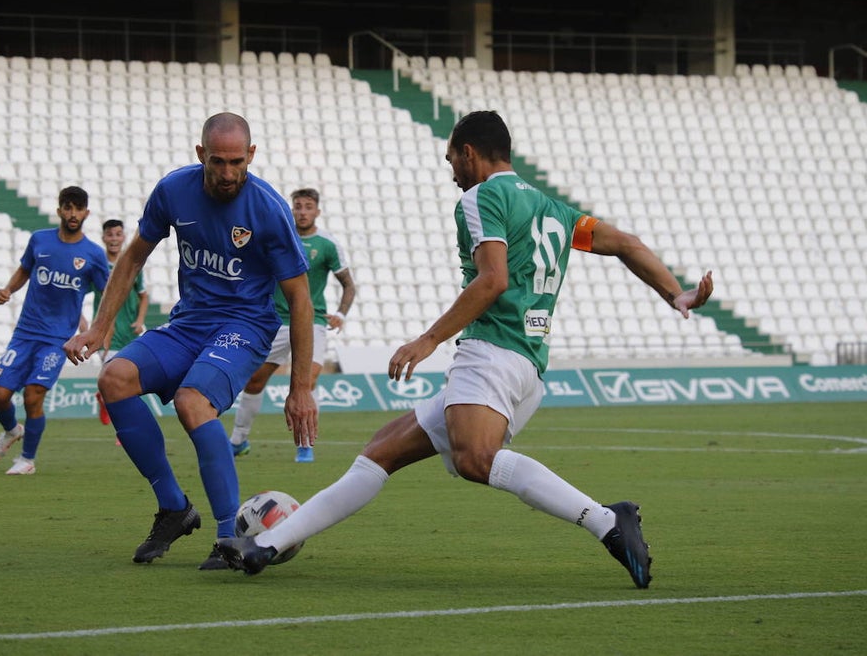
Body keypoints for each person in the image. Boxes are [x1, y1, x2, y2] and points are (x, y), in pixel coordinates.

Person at [216, 110, 714, 589]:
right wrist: (676, 293)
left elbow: (492, 279)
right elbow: (626, 243)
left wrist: (427, 339)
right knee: (380, 453)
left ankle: (607, 521)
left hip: (493, 352)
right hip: (527, 364)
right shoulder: (554, 209)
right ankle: (269, 545)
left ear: (469, 152)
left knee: (476, 459)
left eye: (451, 158)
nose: (451, 170)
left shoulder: (481, 198)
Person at [63, 112, 317, 571]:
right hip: (190, 322)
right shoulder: (173, 190)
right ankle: (174, 508)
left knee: (192, 401)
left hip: (245, 326)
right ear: (201, 154)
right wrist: (100, 327)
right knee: (115, 377)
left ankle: (228, 537)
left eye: (236, 162)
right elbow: (133, 257)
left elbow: (300, 300)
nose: (226, 173)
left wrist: (300, 388)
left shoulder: (269, 209)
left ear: (251, 155)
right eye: (217, 162)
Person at [0, 186, 109, 475]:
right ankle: (11, 431)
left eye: (78, 208)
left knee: (33, 394)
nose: (73, 213)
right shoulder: (39, 240)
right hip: (25, 333)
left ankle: (27, 460)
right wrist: (8, 289)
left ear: (86, 213)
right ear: (59, 211)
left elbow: (107, 294)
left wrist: (99, 331)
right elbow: (24, 270)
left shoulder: (92, 254)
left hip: (58, 339)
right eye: (68, 207)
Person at [229, 187, 356, 463]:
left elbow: (348, 285)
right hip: (275, 322)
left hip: (312, 322)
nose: (302, 211)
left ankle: (305, 445)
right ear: (291, 209)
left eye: (308, 206)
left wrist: (342, 314)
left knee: (306, 382)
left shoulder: (327, 244)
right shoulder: (278, 237)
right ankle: (238, 440)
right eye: (298, 206)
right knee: (254, 381)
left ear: (317, 211)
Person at [93, 218, 150, 428]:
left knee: (129, 379)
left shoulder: (132, 263)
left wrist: (140, 320)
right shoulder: (98, 266)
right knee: (117, 378)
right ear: (103, 238)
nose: (114, 239)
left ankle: (106, 400)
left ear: (123, 236)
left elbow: (144, 295)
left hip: (130, 331)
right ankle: (124, 429)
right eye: (110, 235)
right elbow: (81, 292)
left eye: (118, 234)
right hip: (107, 332)